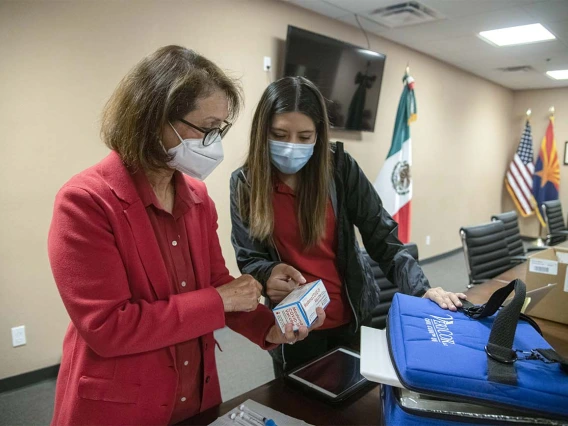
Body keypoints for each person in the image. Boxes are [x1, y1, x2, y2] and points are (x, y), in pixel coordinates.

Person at [47, 47, 324, 426]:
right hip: (121, 404)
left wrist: (269, 327)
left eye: (220, 129)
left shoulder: (197, 198)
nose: (214, 143)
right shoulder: (85, 202)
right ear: (153, 117)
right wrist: (218, 299)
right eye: (206, 128)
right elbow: (108, 327)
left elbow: (214, 283)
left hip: (195, 393)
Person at [230, 76, 466, 377]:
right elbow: (249, 257)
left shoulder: (340, 168)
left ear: (319, 135)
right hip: (294, 326)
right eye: (279, 134)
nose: (291, 148)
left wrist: (421, 289)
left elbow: (383, 237)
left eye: (304, 137)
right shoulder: (245, 183)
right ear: (262, 132)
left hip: (351, 315)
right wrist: (267, 274)